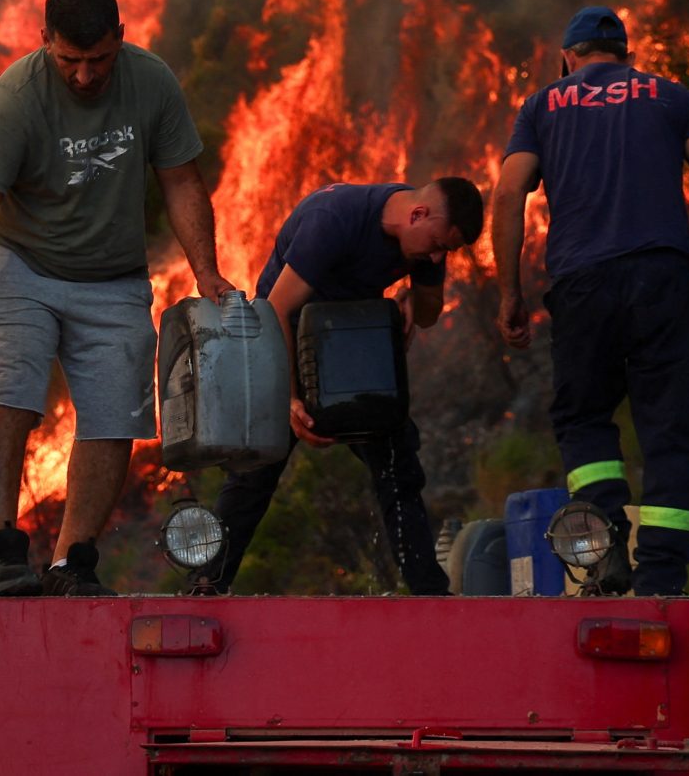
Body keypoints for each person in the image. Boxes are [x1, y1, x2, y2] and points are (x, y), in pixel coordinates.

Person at [0, 0, 231, 597]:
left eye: (99, 60)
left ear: (121, 38)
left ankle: (73, 563)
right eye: (70, 61)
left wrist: (206, 272)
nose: (86, 76)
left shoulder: (150, 82)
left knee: (117, 414)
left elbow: (181, 182)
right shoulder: (17, 95)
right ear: (46, 43)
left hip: (112, 276)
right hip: (19, 263)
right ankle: (2, 551)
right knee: (8, 390)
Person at [494, 6, 689, 598]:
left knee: (585, 417)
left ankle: (604, 548)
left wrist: (510, 293)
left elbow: (509, 191)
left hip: (581, 285)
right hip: (661, 279)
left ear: (568, 57)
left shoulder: (543, 105)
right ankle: (663, 576)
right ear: (626, 55)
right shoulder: (669, 97)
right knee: (671, 424)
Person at [187, 177, 485, 597]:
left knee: (397, 461)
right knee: (255, 472)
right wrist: (290, 398)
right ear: (418, 215)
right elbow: (277, 307)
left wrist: (412, 303)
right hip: (281, 339)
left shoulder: (426, 239)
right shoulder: (335, 220)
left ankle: (427, 592)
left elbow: (430, 312)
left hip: (348, 343)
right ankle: (206, 585)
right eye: (437, 243)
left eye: (446, 250)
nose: (438, 254)